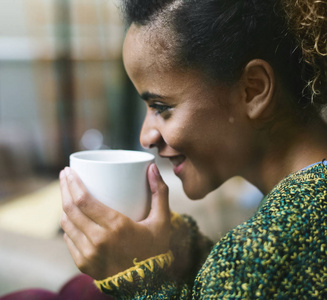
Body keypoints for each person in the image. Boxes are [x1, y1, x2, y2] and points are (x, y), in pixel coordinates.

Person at [59, 0, 327, 298]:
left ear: (253, 90)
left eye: (161, 107)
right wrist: (179, 245)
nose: (146, 136)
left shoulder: (276, 242)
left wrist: (137, 278)